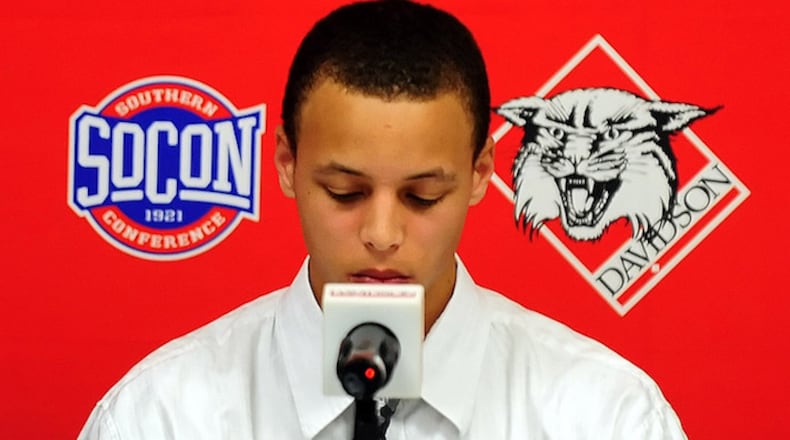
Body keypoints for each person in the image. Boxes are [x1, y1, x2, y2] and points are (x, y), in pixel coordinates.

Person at [78, 1, 688, 439]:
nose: (382, 233)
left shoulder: (607, 416)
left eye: (422, 196)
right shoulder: (160, 416)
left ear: (480, 175)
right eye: (344, 191)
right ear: (287, 165)